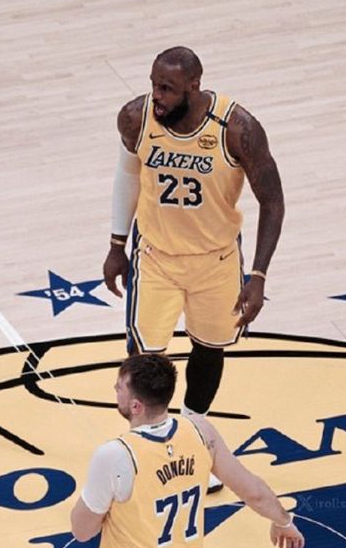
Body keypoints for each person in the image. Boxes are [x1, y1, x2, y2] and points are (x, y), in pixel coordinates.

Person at [49, 354, 304, 548]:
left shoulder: (116, 455)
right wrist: (283, 521)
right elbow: (252, 490)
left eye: (120, 387)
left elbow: (82, 531)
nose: (115, 390)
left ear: (136, 405)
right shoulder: (199, 430)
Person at [102, 46, 285, 493]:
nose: (157, 97)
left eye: (167, 89)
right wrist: (116, 244)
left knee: (209, 349)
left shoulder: (237, 129)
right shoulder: (136, 118)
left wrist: (258, 275)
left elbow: (272, 202)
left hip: (215, 261)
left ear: (194, 87)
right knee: (144, 361)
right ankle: (146, 449)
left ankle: (195, 440)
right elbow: (127, 176)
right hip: (156, 258)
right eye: (153, 85)